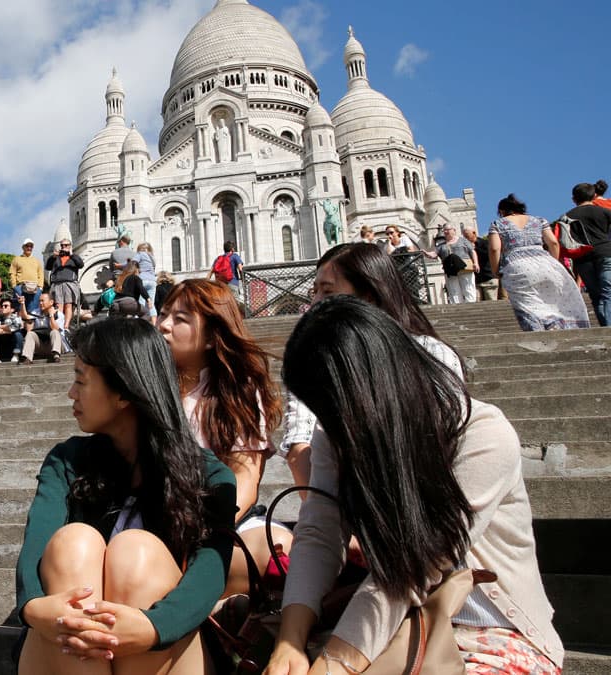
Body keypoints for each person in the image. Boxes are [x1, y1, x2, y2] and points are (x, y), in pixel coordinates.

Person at [266, 296, 563, 675]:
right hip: (390, 624)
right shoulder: (337, 434)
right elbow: (319, 533)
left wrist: (333, 665)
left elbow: (418, 564)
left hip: (491, 630)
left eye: (331, 405)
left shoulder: (483, 435)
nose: (325, 422)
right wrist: (289, 642)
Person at [14, 318, 237, 674]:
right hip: (64, 649)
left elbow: (210, 573)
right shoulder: (67, 461)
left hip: (166, 644)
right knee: (75, 541)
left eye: (80, 380)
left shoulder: (210, 476)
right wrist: (33, 607)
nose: (72, 393)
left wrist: (153, 627)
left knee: (136, 551)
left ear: (124, 393)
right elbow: (36, 546)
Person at [280, 243, 465, 490]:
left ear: (368, 295)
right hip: (338, 507)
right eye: (314, 292)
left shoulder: (432, 354)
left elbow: (453, 447)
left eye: (327, 291)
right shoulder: (313, 361)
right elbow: (299, 448)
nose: (315, 303)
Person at [157, 279, 285, 596]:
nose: (163, 326)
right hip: (156, 518)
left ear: (213, 337)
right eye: (163, 314)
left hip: (222, 518)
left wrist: (211, 529)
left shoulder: (236, 392)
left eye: (180, 319)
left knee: (279, 553)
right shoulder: (145, 386)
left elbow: (245, 475)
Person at [490, 193, 590, 331]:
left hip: (517, 266)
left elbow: (495, 249)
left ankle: (537, 333)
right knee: (552, 301)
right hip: (545, 262)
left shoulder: (498, 224)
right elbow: (553, 243)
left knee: (527, 306)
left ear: (501, 211)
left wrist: (496, 271)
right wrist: (553, 262)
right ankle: (559, 326)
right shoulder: (539, 220)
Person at [563, 183, 611, 326]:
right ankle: (608, 327)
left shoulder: (567, 216)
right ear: (594, 196)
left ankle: (605, 325)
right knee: (607, 291)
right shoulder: (603, 212)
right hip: (605, 253)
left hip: (582, 258)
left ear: (573, 199)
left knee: (595, 295)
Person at [46, 238, 85, 330]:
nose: (64, 247)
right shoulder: (57, 258)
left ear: (70, 246)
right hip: (57, 284)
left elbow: (81, 264)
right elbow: (48, 267)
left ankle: (66, 325)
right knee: (59, 305)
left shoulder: (74, 257)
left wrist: (71, 254)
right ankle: (59, 324)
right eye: (62, 245)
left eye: (66, 245)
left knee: (68, 305)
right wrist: (53, 257)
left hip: (70, 283)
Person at [435, 224, 479, 304]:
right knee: (453, 290)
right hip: (450, 269)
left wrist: (476, 263)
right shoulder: (441, 245)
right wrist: (426, 253)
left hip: (465, 267)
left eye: (447, 229)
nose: (445, 231)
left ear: (454, 230)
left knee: (468, 288)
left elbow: (472, 251)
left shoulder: (463, 240)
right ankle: (458, 308)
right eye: (444, 230)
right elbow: (434, 254)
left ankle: (471, 307)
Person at [21, 291, 64, 365]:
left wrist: (51, 315)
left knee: (55, 332)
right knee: (30, 334)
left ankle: (56, 356)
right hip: (41, 345)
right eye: (39, 301)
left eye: (42, 301)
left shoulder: (59, 314)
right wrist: (22, 304)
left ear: (51, 302)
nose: (40, 303)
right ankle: (27, 358)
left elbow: (56, 329)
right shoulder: (35, 312)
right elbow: (26, 317)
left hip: (55, 345)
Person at [462, 224, 498, 301]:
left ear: (474, 233)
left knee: (491, 302)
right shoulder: (465, 248)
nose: (466, 238)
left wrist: (475, 249)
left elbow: (489, 255)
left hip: (488, 278)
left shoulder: (485, 243)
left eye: (467, 235)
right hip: (476, 280)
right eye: (464, 236)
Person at [11, 238, 45, 316]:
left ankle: (31, 327)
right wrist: (14, 286)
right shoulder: (17, 259)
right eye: (27, 246)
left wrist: (40, 287)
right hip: (21, 287)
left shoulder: (36, 260)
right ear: (23, 247)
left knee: (33, 311)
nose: (29, 248)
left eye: (31, 246)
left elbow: (41, 274)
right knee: (20, 309)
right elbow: (12, 273)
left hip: (35, 288)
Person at [0, 297, 25, 363]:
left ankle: (16, 355)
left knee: (18, 333)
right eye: (1, 306)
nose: (3, 307)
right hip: (2, 342)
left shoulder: (16, 317)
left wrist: (1, 328)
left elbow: (17, 326)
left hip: (13, 342)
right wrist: (8, 330)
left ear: (12, 309)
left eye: (6, 306)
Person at [134, 243, 159, 319]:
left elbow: (133, 262)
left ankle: (139, 323)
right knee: (151, 303)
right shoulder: (152, 258)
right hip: (153, 281)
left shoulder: (140, 254)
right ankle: (154, 325)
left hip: (143, 280)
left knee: (141, 302)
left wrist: (121, 265)